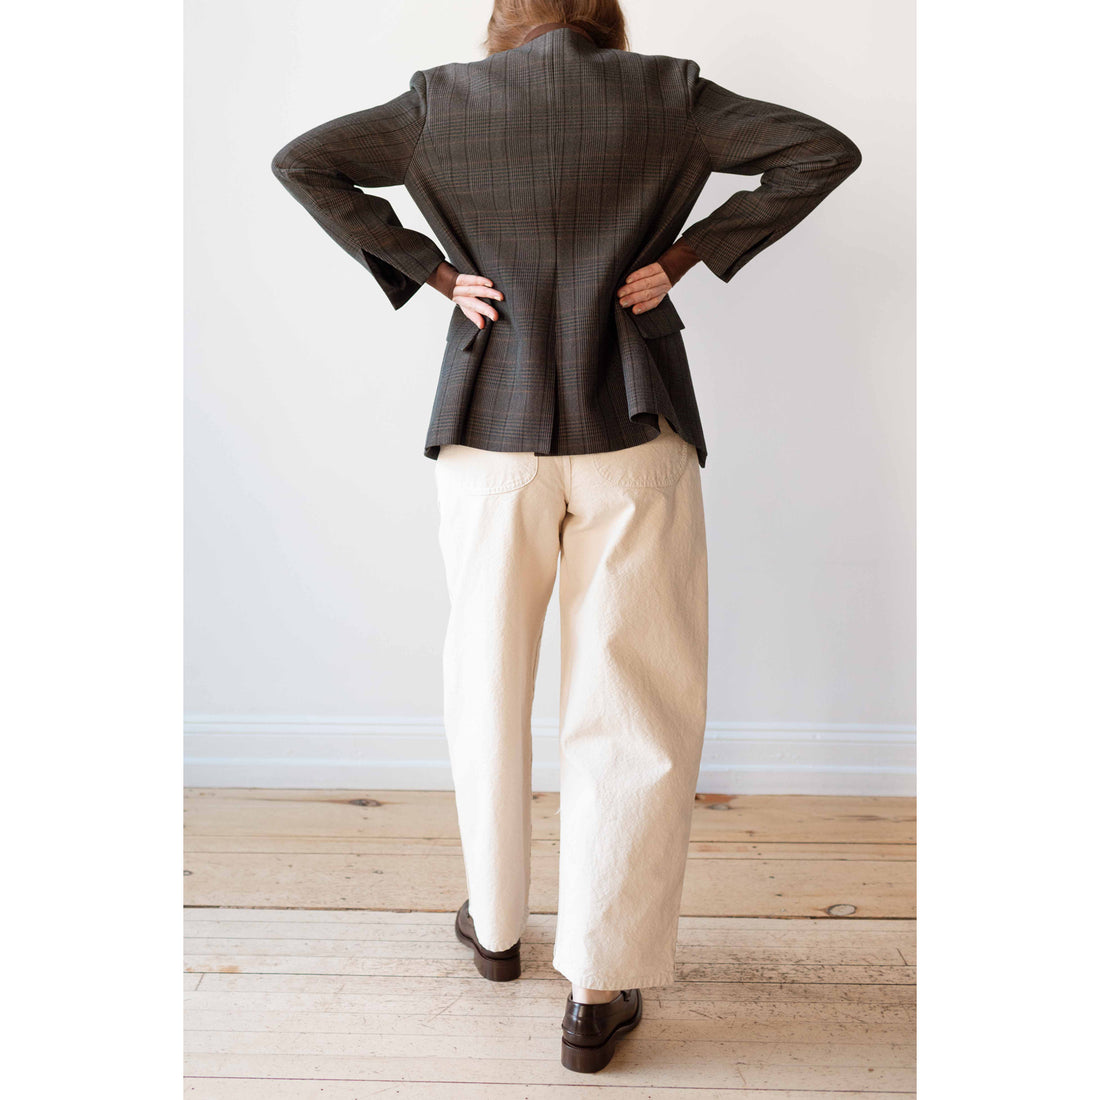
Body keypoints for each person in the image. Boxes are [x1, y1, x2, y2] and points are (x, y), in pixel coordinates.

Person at [271, 0, 861, 1074]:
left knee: (485, 681)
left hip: (489, 431)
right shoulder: (670, 95)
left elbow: (303, 161)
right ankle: (597, 985)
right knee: (632, 699)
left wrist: (434, 271)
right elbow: (821, 151)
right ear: (606, 17)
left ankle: (497, 927)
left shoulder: (439, 103)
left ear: (506, 23)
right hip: (631, 426)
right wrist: (686, 254)